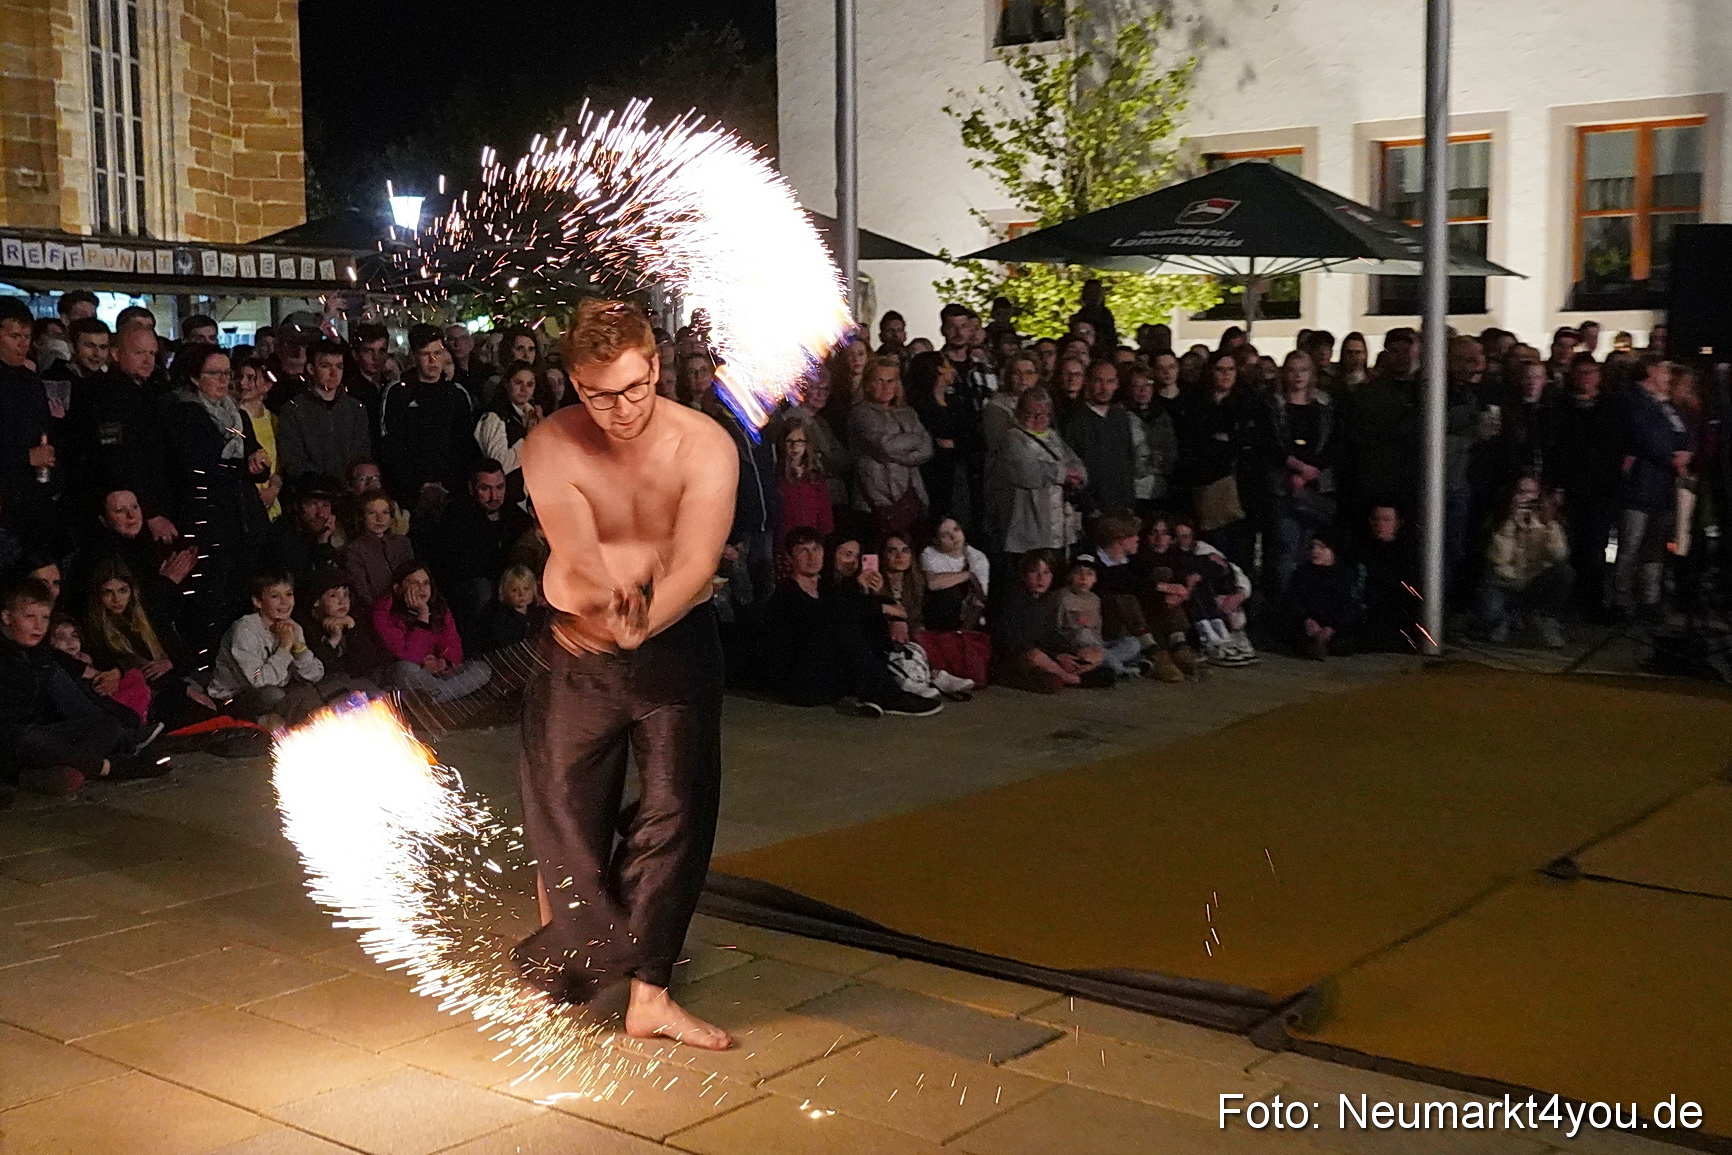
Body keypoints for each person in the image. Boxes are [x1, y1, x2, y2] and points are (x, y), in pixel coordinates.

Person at [513, 298, 738, 1047]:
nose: (620, 409)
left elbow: (699, 560)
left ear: (657, 366)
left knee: (676, 811)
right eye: (598, 394)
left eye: (635, 387)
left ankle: (650, 992)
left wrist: (648, 615)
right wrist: (605, 605)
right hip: (578, 643)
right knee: (564, 811)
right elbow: (575, 551)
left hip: (675, 643)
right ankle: (565, 975)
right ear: (573, 383)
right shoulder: (548, 443)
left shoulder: (704, 444)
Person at [0, 578, 167, 798]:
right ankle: (109, 768)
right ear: (7, 617)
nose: (39, 626)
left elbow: (75, 698)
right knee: (27, 738)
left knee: (104, 725)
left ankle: (44, 773)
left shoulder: (41, 655)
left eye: (45, 617)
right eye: (29, 617)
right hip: (12, 741)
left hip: (43, 737)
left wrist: (120, 723)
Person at [162, 345, 273, 650]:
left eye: (228, 373)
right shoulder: (184, 412)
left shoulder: (236, 414)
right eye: (215, 373)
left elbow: (253, 460)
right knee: (211, 602)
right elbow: (202, 465)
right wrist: (241, 466)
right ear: (195, 378)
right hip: (209, 520)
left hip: (244, 520)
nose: (225, 380)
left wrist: (258, 466)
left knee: (243, 599)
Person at [67, 324, 178, 538]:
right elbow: (117, 458)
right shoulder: (104, 394)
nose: (148, 360)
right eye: (139, 353)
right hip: (123, 512)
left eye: (152, 353)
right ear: (116, 354)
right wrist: (150, 512)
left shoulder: (148, 391)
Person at [1611, 357, 1690, 616]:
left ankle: (1650, 597)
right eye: (1665, 369)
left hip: (1663, 486)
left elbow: (1685, 433)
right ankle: (1621, 599)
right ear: (1650, 370)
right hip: (1640, 483)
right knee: (1631, 544)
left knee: (1656, 546)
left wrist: (1686, 452)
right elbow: (1643, 435)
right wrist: (1670, 457)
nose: (1669, 375)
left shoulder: (1668, 406)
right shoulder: (1632, 399)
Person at [421, 459, 533, 636]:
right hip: (471, 590)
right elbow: (458, 569)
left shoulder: (514, 515)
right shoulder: (457, 517)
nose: (494, 496)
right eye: (485, 488)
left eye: (499, 487)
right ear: (472, 488)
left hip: (510, 584)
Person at [1257, 350, 1338, 594]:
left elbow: (1333, 441)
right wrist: (1296, 467)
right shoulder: (1272, 405)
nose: (1298, 375)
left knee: (1312, 550)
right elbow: (1269, 442)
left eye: (1303, 370)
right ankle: (1286, 609)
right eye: (1292, 370)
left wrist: (1313, 469)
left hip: (1318, 488)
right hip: (1284, 488)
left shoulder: (1325, 405)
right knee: (1286, 551)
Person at [207, 572, 334, 726]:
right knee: (273, 695)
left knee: (317, 691)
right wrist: (285, 648)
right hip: (234, 697)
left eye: (288, 594)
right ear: (258, 602)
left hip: (280, 687)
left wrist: (299, 648)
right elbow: (258, 680)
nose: (285, 602)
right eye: (275, 596)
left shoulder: (293, 627)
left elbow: (315, 674)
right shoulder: (245, 630)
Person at [380, 325, 477, 512]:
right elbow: (392, 444)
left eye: (437, 353)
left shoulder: (456, 395)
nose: (432, 360)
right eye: (425, 354)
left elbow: (464, 445)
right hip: (410, 495)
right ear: (414, 356)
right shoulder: (398, 393)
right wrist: (418, 485)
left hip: (451, 492)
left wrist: (450, 484)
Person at [371, 562, 492, 702]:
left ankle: (435, 695)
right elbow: (407, 656)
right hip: (405, 672)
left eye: (426, 583)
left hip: (436, 674)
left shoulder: (439, 609)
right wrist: (423, 616)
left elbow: (453, 643)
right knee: (405, 669)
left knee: (482, 669)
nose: (422, 588)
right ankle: (441, 694)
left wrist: (443, 662)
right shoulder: (383, 613)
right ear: (398, 588)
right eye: (415, 583)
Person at [992, 550, 1110, 692]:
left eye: (1046, 573)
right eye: (1034, 573)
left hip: (1048, 654)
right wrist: (1055, 656)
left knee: (1094, 652)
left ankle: (1071, 673)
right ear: (1024, 575)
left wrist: (1066, 653)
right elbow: (1013, 642)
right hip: (1018, 655)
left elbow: (1050, 635)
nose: (1041, 578)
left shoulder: (1047, 601)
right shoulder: (1014, 600)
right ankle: (1070, 678)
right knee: (1035, 656)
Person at [987, 388, 1084, 558]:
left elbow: (1074, 462)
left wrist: (1078, 476)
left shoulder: (1053, 437)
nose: (1040, 419)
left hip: (1058, 527)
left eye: (1045, 414)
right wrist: (1063, 474)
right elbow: (1027, 473)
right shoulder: (1012, 439)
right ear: (1019, 413)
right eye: (1033, 414)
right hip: (1028, 529)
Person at [1477, 477, 1571, 648]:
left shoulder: (1546, 521)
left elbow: (1560, 556)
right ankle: (1507, 616)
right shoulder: (1500, 520)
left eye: (1532, 492)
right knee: (1489, 619)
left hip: (1529, 584)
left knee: (1564, 573)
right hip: (1504, 585)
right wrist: (1511, 522)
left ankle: (1542, 618)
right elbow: (1498, 561)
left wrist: (1547, 526)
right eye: (1523, 492)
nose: (1528, 498)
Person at [848, 355, 933, 539]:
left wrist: (904, 448)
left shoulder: (908, 412)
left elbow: (927, 448)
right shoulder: (861, 413)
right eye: (880, 380)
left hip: (912, 493)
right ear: (868, 383)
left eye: (891, 380)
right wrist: (913, 443)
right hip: (876, 498)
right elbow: (885, 446)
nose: (886, 387)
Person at [0, 297, 60, 550]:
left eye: (27, 336)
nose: (23, 344)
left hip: (36, 496)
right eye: (14, 336)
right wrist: (25, 457)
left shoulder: (30, 381)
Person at [276, 340, 373, 485]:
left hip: (348, 492)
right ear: (311, 368)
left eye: (339, 366)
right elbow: (293, 460)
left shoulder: (355, 408)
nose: (334, 373)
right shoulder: (293, 410)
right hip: (312, 492)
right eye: (325, 366)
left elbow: (362, 454)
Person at [1060, 357, 1138, 515]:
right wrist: (1088, 505)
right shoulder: (1073, 419)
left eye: (1110, 381)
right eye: (1098, 381)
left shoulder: (1120, 416)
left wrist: (1129, 501)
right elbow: (1070, 466)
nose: (1104, 388)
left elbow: (1128, 461)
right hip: (1090, 509)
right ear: (1087, 382)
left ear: (1116, 384)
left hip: (1120, 505)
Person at [296, 571, 383, 692]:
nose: (342, 601)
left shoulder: (354, 618)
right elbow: (322, 670)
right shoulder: (304, 626)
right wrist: (334, 639)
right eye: (333, 596)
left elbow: (367, 664)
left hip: (358, 681)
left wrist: (353, 630)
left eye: (346, 594)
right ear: (316, 601)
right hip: (326, 687)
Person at [1285, 531, 1364, 660]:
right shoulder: (1301, 573)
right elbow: (1292, 600)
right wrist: (1307, 620)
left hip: (1335, 626)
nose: (1315, 551)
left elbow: (1351, 605)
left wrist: (1331, 627)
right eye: (1313, 546)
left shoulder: (1345, 575)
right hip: (1308, 624)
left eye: (1322, 547)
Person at [474, 359, 541, 508]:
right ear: (506, 383)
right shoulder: (495, 418)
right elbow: (498, 465)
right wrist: (529, 439)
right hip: (507, 502)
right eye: (518, 383)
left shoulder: (531, 415)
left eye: (530, 384)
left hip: (530, 497)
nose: (524, 389)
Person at [1355, 506, 1421, 652]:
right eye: (1376, 519)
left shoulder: (1408, 556)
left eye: (1386, 520)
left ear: (1398, 523)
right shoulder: (1361, 551)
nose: (1380, 524)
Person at [342, 492, 416, 610]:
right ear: (361, 517)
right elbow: (361, 590)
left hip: (409, 607)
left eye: (385, 513)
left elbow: (414, 576)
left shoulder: (402, 543)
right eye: (372, 513)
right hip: (378, 611)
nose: (380, 519)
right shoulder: (355, 549)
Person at [235, 355, 283, 520]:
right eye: (240, 377)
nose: (243, 383)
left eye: (251, 378)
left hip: (270, 504)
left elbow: (280, 464)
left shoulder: (274, 420)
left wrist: (273, 490)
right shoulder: (232, 418)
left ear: (267, 385)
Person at [774, 421, 833, 545]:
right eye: (790, 441)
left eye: (800, 441)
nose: (794, 447)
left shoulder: (814, 478)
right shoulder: (776, 476)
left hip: (811, 540)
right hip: (785, 540)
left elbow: (824, 514)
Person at [474, 564, 549, 655]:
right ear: (504, 592)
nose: (522, 594)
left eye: (526, 589)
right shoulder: (500, 617)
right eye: (514, 590)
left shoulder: (538, 613)